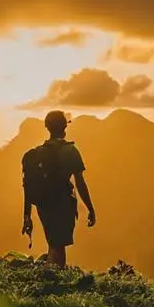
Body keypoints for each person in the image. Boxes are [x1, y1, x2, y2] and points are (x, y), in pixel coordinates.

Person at [21, 110, 96, 267]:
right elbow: (80, 183)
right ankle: (56, 279)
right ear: (64, 127)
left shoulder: (38, 153)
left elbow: (28, 184)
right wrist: (90, 208)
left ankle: (51, 273)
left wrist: (27, 215)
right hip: (63, 203)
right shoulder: (70, 151)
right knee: (58, 245)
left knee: (53, 242)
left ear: (47, 127)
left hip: (43, 204)